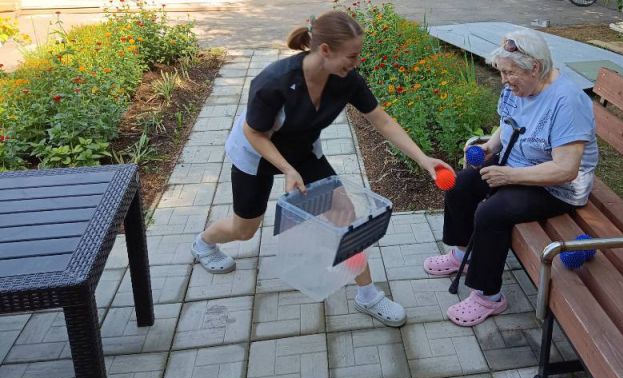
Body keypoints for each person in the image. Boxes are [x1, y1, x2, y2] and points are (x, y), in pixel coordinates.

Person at [191, 10, 454, 327]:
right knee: (244, 230)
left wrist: (423, 158)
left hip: (303, 151)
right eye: (352, 55)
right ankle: (204, 242)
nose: (356, 62)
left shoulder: (346, 80)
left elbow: (381, 119)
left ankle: (368, 294)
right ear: (325, 50)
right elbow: (254, 133)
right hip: (258, 153)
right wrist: (287, 169)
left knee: (345, 216)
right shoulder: (274, 82)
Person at [423, 29, 598, 327]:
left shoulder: (568, 102)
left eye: (509, 73)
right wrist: (490, 147)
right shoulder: (519, 87)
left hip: (557, 187)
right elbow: (508, 124)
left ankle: (488, 296)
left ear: (535, 68)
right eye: (502, 72)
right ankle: (461, 252)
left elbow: (565, 170)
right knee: (461, 184)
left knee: (492, 212)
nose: (504, 80)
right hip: (515, 165)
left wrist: (509, 175)